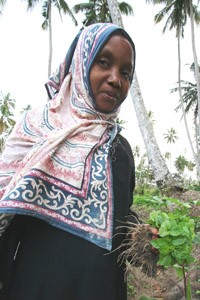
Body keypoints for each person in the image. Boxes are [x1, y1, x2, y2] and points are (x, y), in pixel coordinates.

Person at [0, 23, 138, 300]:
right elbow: (7, 217)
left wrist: (141, 235)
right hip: (35, 287)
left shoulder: (120, 149)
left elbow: (120, 220)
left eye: (125, 73)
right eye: (103, 63)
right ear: (80, 64)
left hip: (99, 289)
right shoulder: (37, 130)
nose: (115, 79)